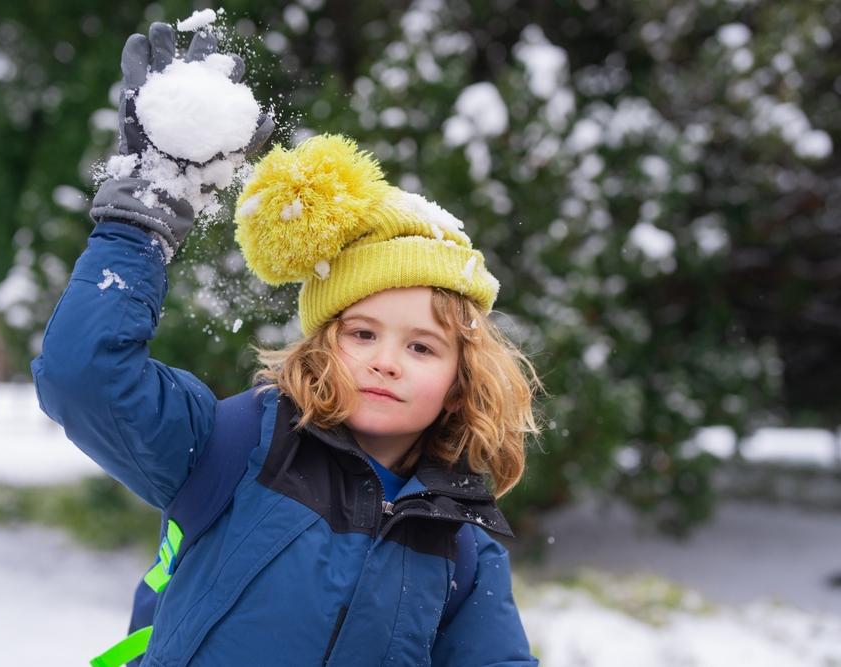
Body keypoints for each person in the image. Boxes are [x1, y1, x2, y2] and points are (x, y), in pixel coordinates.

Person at [32, 21, 542, 667]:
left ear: (461, 375)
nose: (387, 359)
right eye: (363, 333)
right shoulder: (237, 443)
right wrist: (141, 223)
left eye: (423, 347)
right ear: (323, 344)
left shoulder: (462, 540)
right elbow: (82, 376)